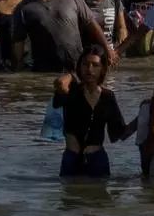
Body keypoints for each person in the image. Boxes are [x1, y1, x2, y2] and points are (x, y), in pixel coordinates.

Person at [10, 0, 116, 72]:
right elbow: (18, 43)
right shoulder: (24, 9)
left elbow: (91, 24)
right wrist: (17, 72)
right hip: (44, 70)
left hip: (77, 66)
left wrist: (107, 49)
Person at [53, 45, 131, 177]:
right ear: (80, 66)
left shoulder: (108, 97)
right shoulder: (72, 92)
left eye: (95, 65)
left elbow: (118, 132)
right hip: (72, 158)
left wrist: (143, 116)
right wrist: (72, 75)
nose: (89, 69)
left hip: (97, 159)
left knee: (100, 196)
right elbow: (60, 84)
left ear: (103, 69)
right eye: (85, 64)